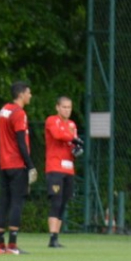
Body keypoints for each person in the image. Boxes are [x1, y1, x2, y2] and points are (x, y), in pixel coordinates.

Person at [0, 81, 35, 254]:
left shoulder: (4, 110)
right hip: (17, 164)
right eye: (28, 92)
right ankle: (12, 245)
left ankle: (0, 245)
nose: (30, 95)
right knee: (17, 202)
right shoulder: (19, 113)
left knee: (3, 201)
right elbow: (21, 142)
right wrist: (30, 165)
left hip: (4, 163)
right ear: (21, 94)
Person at [44, 96, 82, 248]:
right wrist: (74, 138)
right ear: (57, 107)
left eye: (69, 107)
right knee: (56, 200)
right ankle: (52, 237)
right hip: (55, 167)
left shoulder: (72, 124)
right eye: (64, 107)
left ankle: (56, 237)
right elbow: (58, 135)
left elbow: (72, 144)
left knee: (64, 202)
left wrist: (77, 149)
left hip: (68, 168)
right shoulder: (52, 120)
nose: (67, 110)